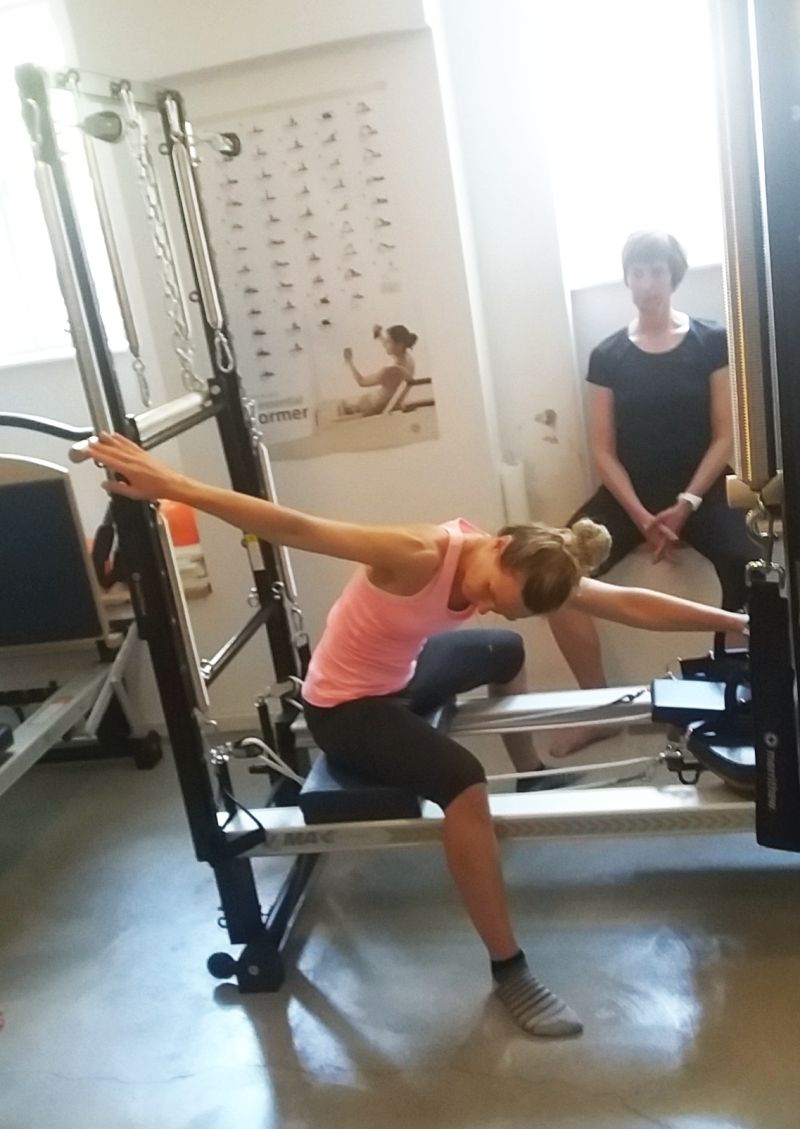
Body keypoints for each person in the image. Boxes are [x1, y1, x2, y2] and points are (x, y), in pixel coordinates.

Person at [78, 432, 747, 1040]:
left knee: (505, 651)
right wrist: (172, 486)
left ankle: (536, 774)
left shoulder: (531, 562)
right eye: (489, 594)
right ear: (500, 550)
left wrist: (736, 620)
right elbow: (292, 525)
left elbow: (630, 602)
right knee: (462, 781)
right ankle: (508, 966)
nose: (484, 606)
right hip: (344, 707)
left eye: (497, 605)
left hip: (400, 673)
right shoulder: (415, 552)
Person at [548, 231, 757, 757]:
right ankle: (599, 710)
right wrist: (642, 516)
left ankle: (735, 702)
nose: (646, 284)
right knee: (549, 570)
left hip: (704, 491)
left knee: (750, 566)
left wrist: (686, 503)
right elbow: (603, 450)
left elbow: (725, 435)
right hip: (628, 496)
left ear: (674, 276)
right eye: (637, 273)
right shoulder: (608, 355)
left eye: (656, 272)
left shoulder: (710, 340)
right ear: (627, 279)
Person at [340, 323, 418, 416]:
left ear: (400, 345)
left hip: (373, 406)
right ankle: (353, 407)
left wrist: (349, 362)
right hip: (389, 403)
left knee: (354, 404)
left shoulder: (390, 371)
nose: (386, 345)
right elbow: (390, 346)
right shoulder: (408, 359)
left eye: (389, 342)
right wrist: (380, 335)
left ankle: (352, 409)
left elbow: (362, 382)